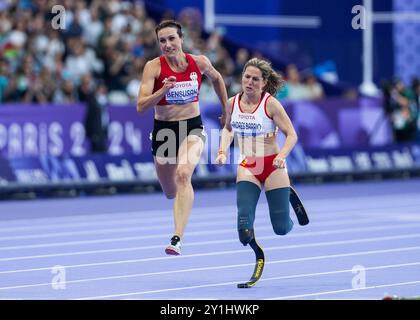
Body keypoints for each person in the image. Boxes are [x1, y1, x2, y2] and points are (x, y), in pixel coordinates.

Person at [136, 20, 229, 255]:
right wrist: (163, 91)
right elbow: (140, 106)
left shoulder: (199, 62)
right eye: (162, 41)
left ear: (181, 39)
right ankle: (178, 202)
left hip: (192, 127)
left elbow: (217, 79)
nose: (167, 45)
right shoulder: (153, 67)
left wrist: (226, 110)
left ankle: (177, 238)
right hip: (164, 132)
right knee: (170, 191)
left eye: (171, 39)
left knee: (184, 174)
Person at [215, 57, 298, 286]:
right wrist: (222, 150)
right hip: (248, 167)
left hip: (273, 167)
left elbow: (291, 134)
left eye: (255, 79)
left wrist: (281, 156)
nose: (249, 82)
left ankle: (287, 196)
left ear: (263, 82)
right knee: (243, 228)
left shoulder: (270, 104)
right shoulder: (232, 103)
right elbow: (227, 129)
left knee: (281, 229)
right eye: (246, 77)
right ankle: (256, 252)